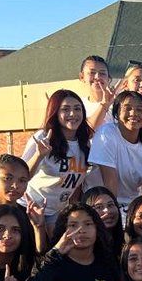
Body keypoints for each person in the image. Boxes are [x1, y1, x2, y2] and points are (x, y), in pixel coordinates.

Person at [23, 90, 91, 232]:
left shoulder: (85, 142)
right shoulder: (43, 137)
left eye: (77, 109)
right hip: (29, 208)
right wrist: (39, 155)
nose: (72, 114)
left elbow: (76, 184)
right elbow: (22, 176)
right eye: (65, 109)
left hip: (56, 211)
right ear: (55, 112)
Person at [88, 91, 142, 214]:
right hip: (101, 205)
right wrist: (115, 213)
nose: (133, 114)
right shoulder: (106, 133)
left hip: (132, 207)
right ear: (116, 113)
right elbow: (110, 181)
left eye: (139, 110)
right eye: (127, 109)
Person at [82, 186, 125, 258]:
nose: (107, 211)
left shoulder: (126, 244)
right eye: (98, 207)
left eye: (110, 205)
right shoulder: (81, 248)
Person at [75, 55, 115, 132]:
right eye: (92, 72)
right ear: (82, 77)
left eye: (102, 73)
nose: (97, 77)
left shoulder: (119, 104)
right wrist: (104, 105)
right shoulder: (77, 105)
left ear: (108, 78)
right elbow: (86, 131)